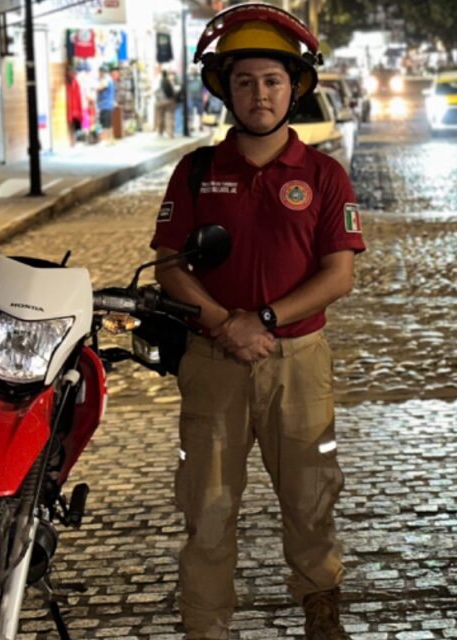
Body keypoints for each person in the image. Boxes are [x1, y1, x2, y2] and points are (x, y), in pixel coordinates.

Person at [150, 4, 365, 639]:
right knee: (207, 506)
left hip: (298, 362)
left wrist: (264, 318)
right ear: (226, 90)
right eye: (244, 81)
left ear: (293, 88)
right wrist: (226, 325)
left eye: (272, 80)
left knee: (310, 497)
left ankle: (320, 608)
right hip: (212, 363)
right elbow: (169, 265)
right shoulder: (196, 171)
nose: (259, 94)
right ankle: (206, 627)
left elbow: (338, 274)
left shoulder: (324, 175)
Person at [96, 66, 118, 143]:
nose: (98, 74)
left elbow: (100, 88)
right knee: (108, 123)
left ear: (103, 72)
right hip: (107, 104)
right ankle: (110, 140)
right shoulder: (109, 80)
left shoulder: (106, 80)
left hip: (105, 104)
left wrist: (94, 87)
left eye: (99, 72)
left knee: (105, 123)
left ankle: (106, 140)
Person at [156, 69, 178, 138]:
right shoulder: (169, 81)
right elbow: (172, 91)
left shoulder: (158, 81)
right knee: (170, 117)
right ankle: (170, 133)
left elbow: (155, 91)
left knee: (160, 116)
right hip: (169, 101)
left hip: (160, 101)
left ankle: (160, 132)